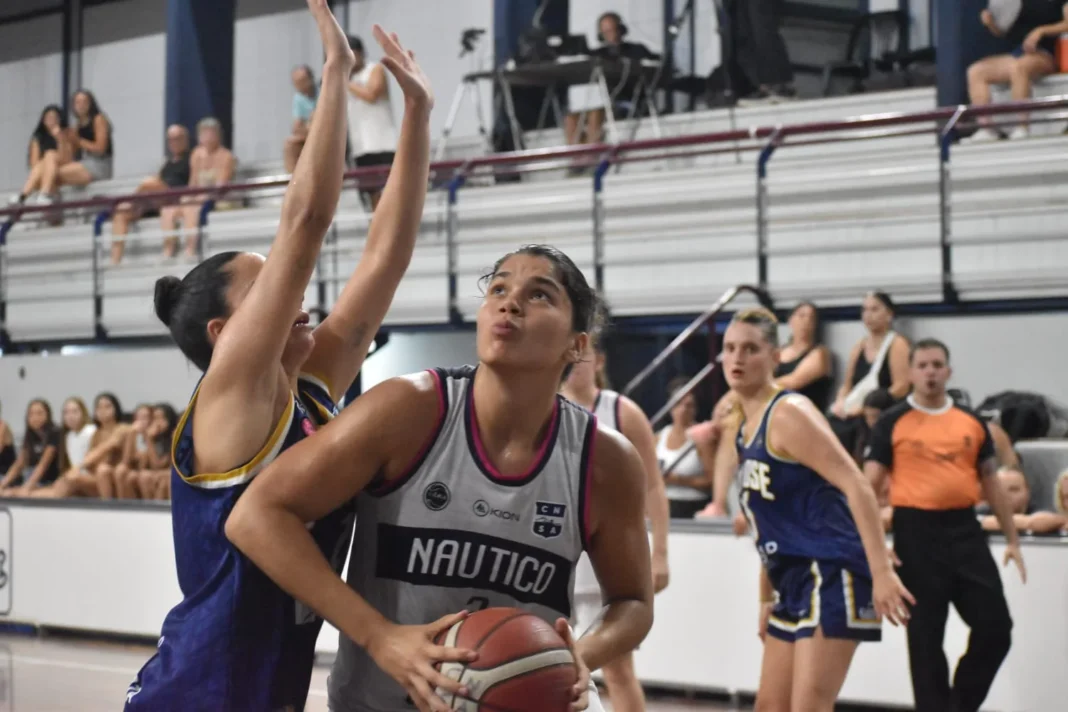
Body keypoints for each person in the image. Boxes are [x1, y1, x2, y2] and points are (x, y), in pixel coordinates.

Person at [124, 4, 433, 709]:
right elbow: (306, 221)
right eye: (267, 287)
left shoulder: (313, 393)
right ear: (222, 334)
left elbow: (387, 258)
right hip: (198, 695)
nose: (293, 291)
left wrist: (415, 119)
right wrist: (335, 76)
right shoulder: (231, 397)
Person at [226, 245, 655, 712]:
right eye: (498, 288)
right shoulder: (408, 409)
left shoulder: (606, 458)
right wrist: (378, 635)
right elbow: (254, 515)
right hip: (384, 701)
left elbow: (632, 601)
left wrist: (574, 656)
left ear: (578, 343)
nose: (509, 303)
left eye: (539, 296)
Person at [702, 308, 913, 711]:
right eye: (730, 349)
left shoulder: (789, 413)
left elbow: (857, 485)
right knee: (769, 706)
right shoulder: (744, 428)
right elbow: (770, 527)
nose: (737, 358)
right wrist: (766, 598)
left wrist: (881, 572)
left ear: (776, 356)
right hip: (794, 578)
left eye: (750, 349)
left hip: (832, 569)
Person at [864, 338, 1025, 712]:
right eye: (922, 365)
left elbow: (992, 482)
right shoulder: (892, 421)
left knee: (996, 629)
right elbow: (865, 489)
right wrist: (875, 545)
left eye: (937, 365)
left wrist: (1012, 538)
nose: (930, 372)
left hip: (964, 530)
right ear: (911, 372)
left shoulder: (971, 421)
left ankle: (959, 706)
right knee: (925, 639)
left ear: (948, 371)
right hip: (914, 532)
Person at [560, 332, 669, 712]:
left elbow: (654, 487)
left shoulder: (622, 411)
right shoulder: (547, 409)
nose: (576, 362)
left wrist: (660, 553)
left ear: (600, 361)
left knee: (618, 670)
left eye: (584, 354)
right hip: (560, 555)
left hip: (606, 560)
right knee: (548, 669)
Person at [966, 1, 1068, 142]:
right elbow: (1002, 31)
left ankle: (1022, 127)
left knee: (1018, 67)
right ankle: (987, 129)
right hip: (1018, 53)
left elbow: (1067, 23)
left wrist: (1041, 31)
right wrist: (990, 23)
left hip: (1046, 54)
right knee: (976, 71)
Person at [565, 12, 658, 149]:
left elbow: (655, 62)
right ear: (601, 35)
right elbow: (582, 60)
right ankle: (575, 157)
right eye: (606, 32)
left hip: (629, 103)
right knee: (571, 118)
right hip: (605, 104)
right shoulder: (599, 54)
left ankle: (589, 156)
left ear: (622, 30)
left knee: (595, 115)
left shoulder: (636, 50)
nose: (612, 35)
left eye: (614, 30)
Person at [110, 124, 192, 264]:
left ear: (185, 139)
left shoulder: (191, 159)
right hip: (155, 199)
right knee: (121, 212)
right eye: (170, 139)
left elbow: (192, 183)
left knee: (149, 182)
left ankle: (133, 201)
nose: (174, 142)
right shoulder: (167, 163)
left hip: (173, 197)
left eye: (177, 138)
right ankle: (115, 260)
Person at [831, 291, 910, 419]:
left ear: (889, 314)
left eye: (874, 309)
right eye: (865, 310)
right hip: (854, 411)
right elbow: (847, 385)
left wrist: (866, 408)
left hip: (884, 412)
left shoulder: (898, 344)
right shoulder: (859, 346)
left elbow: (901, 387)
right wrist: (841, 402)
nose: (868, 315)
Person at [33, 393, 128, 498]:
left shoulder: (118, 428)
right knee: (64, 481)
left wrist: (77, 468)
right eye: (99, 407)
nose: (102, 410)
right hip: (93, 475)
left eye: (107, 406)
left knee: (76, 478)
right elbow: (90, 458)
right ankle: (29, 495)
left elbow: (104, 449)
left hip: (111, 478)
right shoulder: (95, 433)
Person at [167, 117, 236, 260]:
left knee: (193, 208)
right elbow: (193, 183)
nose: (207, 137)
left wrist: (199, 196)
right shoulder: (196, 155)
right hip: (199, 197)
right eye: (204, 134)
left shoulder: (226, 156)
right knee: (168, 210)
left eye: (211, 133)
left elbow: (221, 185)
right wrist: (190, 197)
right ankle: (168, 251)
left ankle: (191, 250)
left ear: (218, 135)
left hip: (219, 199)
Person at [347, 34, 397, 211]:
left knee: (390, 192)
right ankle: (378, 232)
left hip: (381, 142)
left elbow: (372, 95)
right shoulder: (347, 79)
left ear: (360, 53)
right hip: (360, 146)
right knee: (370, 194)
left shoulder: (375, 69)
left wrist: (345, 82)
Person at [657, 376, 713, 519]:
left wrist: (678, 480)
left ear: (695, 408)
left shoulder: (702, 437)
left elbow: (711, 481)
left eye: (688, 405)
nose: (683, 410)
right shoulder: (658, 437)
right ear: (670, 407)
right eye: (678, 404)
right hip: (664, 504)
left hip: (693, 505)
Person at [11, 105, 73, 206]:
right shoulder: (38, 137)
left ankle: (26, 194)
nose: (51, 120)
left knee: (50, 154)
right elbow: (34, 164)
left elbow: (67, 157)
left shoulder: (66, 133)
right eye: (48, 117)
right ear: (43, 121)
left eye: (54, 117)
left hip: (63, 168)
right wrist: (47, 164)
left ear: (59, 119)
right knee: (45, 160)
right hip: (43, 173)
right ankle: (31, 195)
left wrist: (59, 138)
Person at [0, 399, 61, 496]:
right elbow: (19, 464)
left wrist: (27, 487)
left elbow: (43, 464)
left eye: (39, 413)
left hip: (52, 481)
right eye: (31, 414)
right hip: (35, 480)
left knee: (17, 492)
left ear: (48, 415)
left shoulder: (55, 433)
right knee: (7, 491)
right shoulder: (30, 435)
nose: (35, 417)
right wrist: (3, 484)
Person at [285, 65, 318, 172]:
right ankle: (292, 181)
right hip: (310, 134)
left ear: (311, 78)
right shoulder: (298, 98)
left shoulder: (323, 92)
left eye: (302, 81)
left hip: (328, 133)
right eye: (296, 82)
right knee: (290, 145)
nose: (299, 85)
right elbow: (296, 126)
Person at [58, 396, 96, 472]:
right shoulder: (69, 436)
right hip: (77, 475)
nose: (70, 416)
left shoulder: (91, 431)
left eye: (75, 412)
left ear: (83, 413)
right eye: (66, 413)